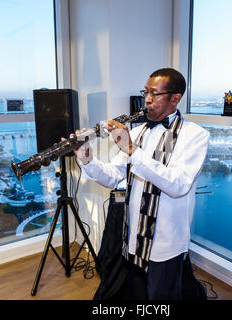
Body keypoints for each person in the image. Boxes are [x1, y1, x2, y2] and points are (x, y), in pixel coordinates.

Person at [69, 68, 210, 300]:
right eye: (145, 93)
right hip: (134, 236)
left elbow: (178, 184)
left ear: (175, 98)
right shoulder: (137, 132)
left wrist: (132, 151)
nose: (147, 100)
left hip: (166, 241)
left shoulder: (195, 136)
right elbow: (113, 176)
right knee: (137, 295)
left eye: (154, 94)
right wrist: (87, 158)